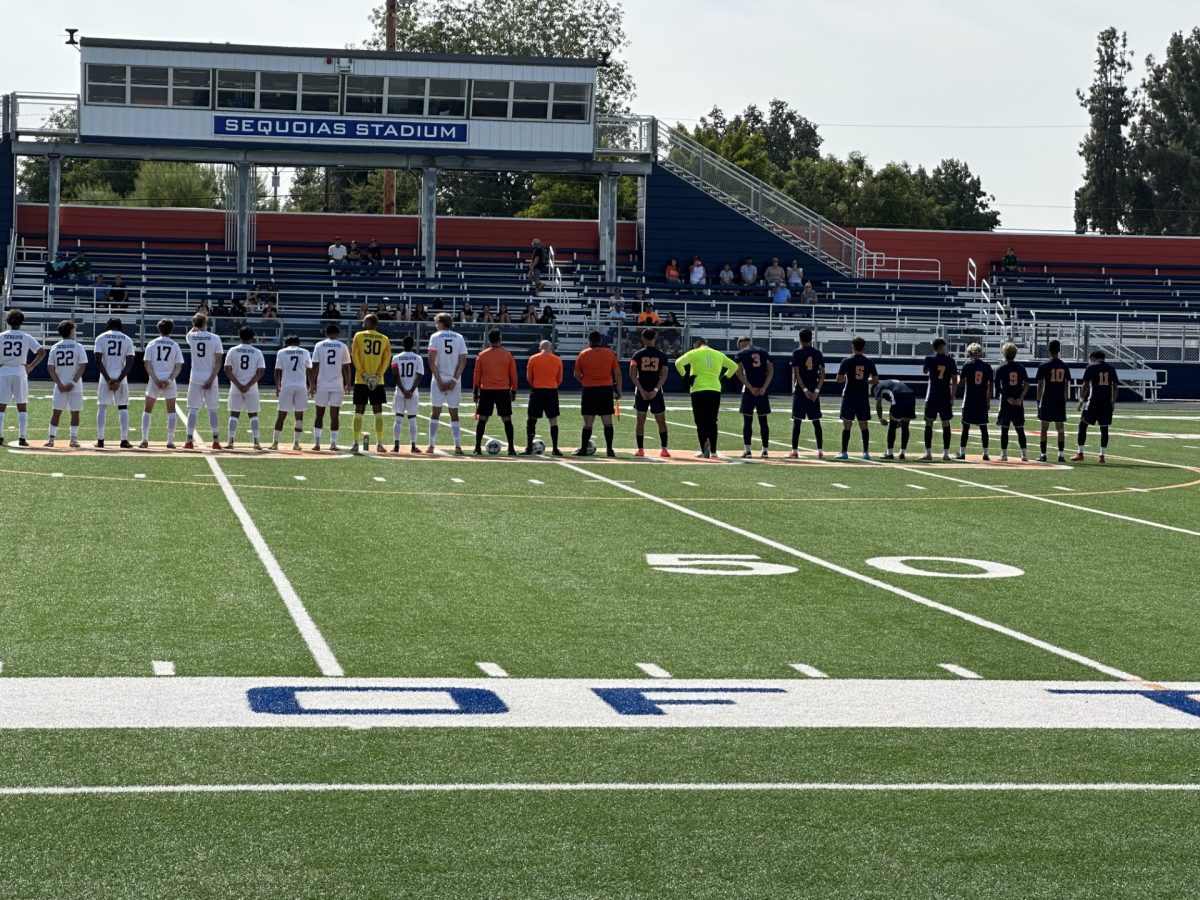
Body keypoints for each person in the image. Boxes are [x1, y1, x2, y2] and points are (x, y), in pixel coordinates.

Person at [674, 337, 737, 458]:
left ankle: (704, 450)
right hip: (714, 389)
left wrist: (685, 376)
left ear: (696, 345)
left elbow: (678, 363)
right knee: (712, 421)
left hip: (698, 389)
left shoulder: (694, 352)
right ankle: (713, 451)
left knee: (700, 420)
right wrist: (725, 377)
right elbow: (734, 366)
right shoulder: (718, 354)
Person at [0, 309, 45, 448]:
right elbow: (42, 352)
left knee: (1, 408)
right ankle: (22, 438)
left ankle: (0, 437)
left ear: (7, 321)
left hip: (3, 372)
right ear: (22, 322)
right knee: (22, 407)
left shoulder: (1, 336)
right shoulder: (26, 336)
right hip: (20, 371)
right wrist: (31, 366)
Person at [573, 330, 621, 457]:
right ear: (600, 340)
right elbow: (617, 373)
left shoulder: (583, 354)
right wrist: (618, 390)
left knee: (588, 422)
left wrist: (585, 381)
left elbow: (576, 374)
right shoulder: (610, 353)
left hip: (589, 389)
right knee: (607, 421)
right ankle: (610, 450)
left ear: (589, 341)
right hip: (605, 389)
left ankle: (583, 449)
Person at [426, 312, 468, 455]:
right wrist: (454, 380)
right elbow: (463, 361)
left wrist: (438, 381)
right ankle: (457, 446)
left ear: (441, 323)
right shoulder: (459, 337)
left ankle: (431, 445)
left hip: (439, 378)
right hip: (454, 380)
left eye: (436, 322)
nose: (435, 325)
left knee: (435, 413)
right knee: (454, 414)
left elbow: (431, 361)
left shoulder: (435, 337)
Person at [472, 328, 519, 456]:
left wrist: (475, 392)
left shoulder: (482, 355)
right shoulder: (508, 355)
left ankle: (477, 448)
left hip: (486, 390)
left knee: (482, 419)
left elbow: (477, 375)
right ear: (500, 339)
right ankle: (511, 448)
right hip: (503, 391)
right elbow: (513, 375)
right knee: (506, 419)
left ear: (489, 340)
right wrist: (513, 390)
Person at [350, 313, 392, 453]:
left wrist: (364, 374)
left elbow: (354, 356)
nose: (362, 324)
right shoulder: (384, 339)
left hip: (361, 380)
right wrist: (378, 375)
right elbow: (386, 360)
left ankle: (355, 443)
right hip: (377, 381)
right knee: (378, 411)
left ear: (368, 323)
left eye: (364, 322)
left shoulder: (359, 336)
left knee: (359, 411)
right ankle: (380, 443)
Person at [141, 318, 184, 450]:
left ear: (159, 329)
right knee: (171, 411)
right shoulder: (175, 345)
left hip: (155, 379)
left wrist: (155, 379)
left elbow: (147, 364)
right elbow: (178, 366)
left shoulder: (152, 344)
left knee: (148, 410)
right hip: (169, 380)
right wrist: (169, 380)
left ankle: (144, 440)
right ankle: (170, 441)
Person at [93, 317, 136, 449]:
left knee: (102, 408)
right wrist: (118, 380)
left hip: (105, 378)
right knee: (123, 408)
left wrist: (107, 379)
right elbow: (129, 363)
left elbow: (98, 360)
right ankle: (124, 440)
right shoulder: (127, 339)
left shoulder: (100, 338)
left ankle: (100, 440)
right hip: (121, 379)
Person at [44, 320, 88, 449]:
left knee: (56, 412)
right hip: (75, 385)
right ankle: (73, 440)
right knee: (75, 413)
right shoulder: (78, 346)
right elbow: (82, 366)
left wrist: (58, 383)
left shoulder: (55, 347)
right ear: (71, 331)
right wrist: (73, 382)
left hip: (60, 385)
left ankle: (51, 439)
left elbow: (50, 368)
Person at [184, 312, 224, 451]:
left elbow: (192, 330)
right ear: (206, 322)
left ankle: (189, 440)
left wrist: (196, 324)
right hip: (210, 376)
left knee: (193, 410)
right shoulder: (215, 338)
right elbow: (218, 362)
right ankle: (216, 440)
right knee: (212, 410)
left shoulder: (191, 336)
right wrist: (212, 378)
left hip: (195, 377)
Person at [835, 336, 879, 461]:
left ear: (852, 347)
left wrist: (849, 378)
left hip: (849, 395)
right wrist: (865, 380)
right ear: (864, 347)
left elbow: (838, 379)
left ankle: (844, 452)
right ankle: (865, 452)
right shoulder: (869, 362)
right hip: (862, 396)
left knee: (847, 424)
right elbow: (875, 380)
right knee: (864, 424)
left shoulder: (846, 361)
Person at [629, 328, 671, 458]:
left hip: (642, 390)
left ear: (643, 339)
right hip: (656, 391)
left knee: (640, 421)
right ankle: (664, 449)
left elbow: (632, 375)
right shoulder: (662, 355)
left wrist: (641, 390)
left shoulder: (637, 355)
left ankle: (640, 449)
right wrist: (656, 390)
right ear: (655, 338)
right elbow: (664, 375)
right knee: (661, 421)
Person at [310, 322, 352, 452]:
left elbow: (315, 366)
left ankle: (317, 443)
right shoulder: (342, 346)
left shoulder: (319, 345)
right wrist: (348, 383)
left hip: (322, 382)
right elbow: (346, 367)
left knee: (319, 414)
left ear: (326, 333)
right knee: (335, 415)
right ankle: (333, 443)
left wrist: (312, 384)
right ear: (338, 334)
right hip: (337, 383)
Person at [223, 326, 266, 451]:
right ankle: (256, 442)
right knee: (253, 415)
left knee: (234, 414)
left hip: (236, 387)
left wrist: (238, 384)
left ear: (239, 336)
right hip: (251, 388)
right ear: (252, 338)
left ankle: (230, 441)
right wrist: (248, 385)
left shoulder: (233, 350)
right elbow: (261, 371)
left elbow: (227, 369)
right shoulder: (257, 352)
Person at [1073, 350, 1120, 463]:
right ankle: (1102, 456)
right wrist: (1113, 402)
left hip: (1093, 401)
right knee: (1104, 428)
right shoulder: (1111, 368)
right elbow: (1115, 387)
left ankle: (1080, 453)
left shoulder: (1091, 367)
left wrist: (1081, 400)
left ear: (1093, 358)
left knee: (1083, 425)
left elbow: (1085, 385)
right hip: (1106, 402)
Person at [734, 336, 775, 458]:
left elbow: (739, 373)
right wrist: (764, 388)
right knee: (763, 421)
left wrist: (751, 388)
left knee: (748, 421)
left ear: (741, 344)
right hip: (762, 391)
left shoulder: (741, 354)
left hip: (749, 391)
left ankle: (747, 450)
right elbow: (771, 371)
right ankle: (765, 451)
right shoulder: (763, 352)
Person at [272, 335, 312, 452]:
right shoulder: (305, 352)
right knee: (299, 416)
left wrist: (277, 386)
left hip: (287, 386)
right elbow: (310, 369)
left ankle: (275, 442)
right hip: (301, 386)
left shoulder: (282, 352)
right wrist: (312, 384)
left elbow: (277, 370)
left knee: (281, 415)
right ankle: (296, 443)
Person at [790, 328, 825, 459]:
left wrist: (804, 390)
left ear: (800, 338)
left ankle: (794, 450)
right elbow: (822, 374)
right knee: (816, 422)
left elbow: (796, 373)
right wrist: (816, 390)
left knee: (797, 421)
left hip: (801, 391)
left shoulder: (797, 353)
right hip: (813, 388)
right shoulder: (817, 353)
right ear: (811, 338)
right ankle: (820, 450)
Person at [921, 337, 959, 462]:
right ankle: (946, 453)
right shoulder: (950, 360)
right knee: (946, 423)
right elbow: (954, 380)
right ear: (942, 347)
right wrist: (953, 396)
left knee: (929, 423)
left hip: (932, 395)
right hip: (945, 395)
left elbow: (925, 371)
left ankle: (928, 453)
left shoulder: (929, 359)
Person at [524, 340, 564, 456]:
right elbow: (560, 379)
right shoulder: (557, 360)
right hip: (551, 391)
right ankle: (555, 448)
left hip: (537, 391)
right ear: (550, 348)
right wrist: (553, 385)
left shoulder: (533, 358)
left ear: (540, 348)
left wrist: (536, 384)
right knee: (553, 420)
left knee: (532, 420)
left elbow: (529, 378)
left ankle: (528, 447)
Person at [957, 343, 994, 461]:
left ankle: (962, 452)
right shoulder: (987, 366)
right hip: (981, 400)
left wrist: (958, 376)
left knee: (965, 427)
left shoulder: (967, 365)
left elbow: (960, 384)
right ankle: (986, 453)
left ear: (970, 353)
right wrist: (988, 400)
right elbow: (990, 384)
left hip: (969, 400)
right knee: (983, 428)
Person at [1036, 339, 1070, 464]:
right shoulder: (1064, 366)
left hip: (1047, 399)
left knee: (1044, 428)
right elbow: (1067, 385)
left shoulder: (1044, 365)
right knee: (1060, 429)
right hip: (1059, 399)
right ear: (1059, 350)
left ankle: (1043, 454)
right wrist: (1065, 399)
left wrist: (1038, 400)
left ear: (1049, 350)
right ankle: (1060, 455)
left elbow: (1040, 385)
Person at [994, 342, 1030, 463]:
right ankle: (1024, 454)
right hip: (1018, 403)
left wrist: (1007, 397)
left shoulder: (1001, 368)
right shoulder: (1021, 367)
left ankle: (1004, 454)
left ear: (1004, 353)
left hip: (1006, 402)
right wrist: (1020, 398)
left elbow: (997, 386)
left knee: (1005, 429)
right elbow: (1026, 384)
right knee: (1020, 429)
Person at [390, 335, 425, 454]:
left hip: (400, 392)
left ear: (402, 345)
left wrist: (403, 390)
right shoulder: (418, 358)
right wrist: (411, 390)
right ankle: (413, 446)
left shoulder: (396, 357)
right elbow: (419, 376)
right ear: (413, 345)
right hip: (413, 393)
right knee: (412, 420)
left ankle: (396, 446)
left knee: (398, 419)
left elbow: (395, 376)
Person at [874, 378, 916, 460]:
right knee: (905, 425)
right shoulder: (889, 383)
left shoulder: (878, 387)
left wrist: (880, 418)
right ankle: (902, 453)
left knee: (892, 425)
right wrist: (900, 419)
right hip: (911, 395)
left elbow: (878, 403)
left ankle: (889, 453)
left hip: (898, 395)